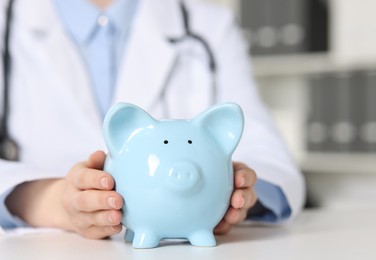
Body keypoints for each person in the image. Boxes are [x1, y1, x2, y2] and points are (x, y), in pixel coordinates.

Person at [0, 0, 305, 239]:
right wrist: (50, 201)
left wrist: (234, 194)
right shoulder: (8, 22)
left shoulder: (210, 26)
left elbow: (271, 159)